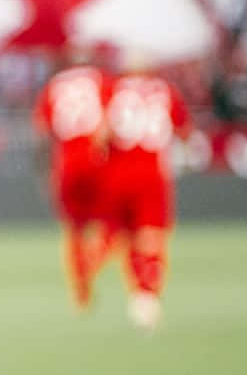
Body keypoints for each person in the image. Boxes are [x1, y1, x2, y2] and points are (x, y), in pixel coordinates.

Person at [102, 60, 191, 331]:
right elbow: (184, 131)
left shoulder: (114, 90)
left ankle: (138, 289)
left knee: (126, 236)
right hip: (152, 172)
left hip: (119, 171)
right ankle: (148, 291)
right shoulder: (165, 91)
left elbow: (103, 132)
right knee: (152, 235)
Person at [32, 52, 113, 309]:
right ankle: (91, 262)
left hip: (67, 163)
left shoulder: (54, 87)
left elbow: (42, 134)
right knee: (114, 223)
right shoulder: (102, 82)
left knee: (75, 229)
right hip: (97, 160)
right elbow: (115, 123)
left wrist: (45, 173)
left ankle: (81, 286)